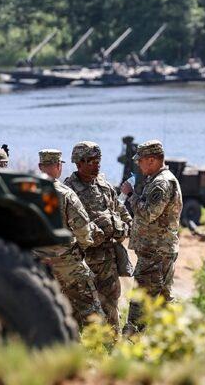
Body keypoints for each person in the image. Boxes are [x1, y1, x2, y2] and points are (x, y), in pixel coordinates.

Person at [64, 141, 132, 331]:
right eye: (91, 161)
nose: (96, 165)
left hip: (107, 262)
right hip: (82, 261)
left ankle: (113, 351)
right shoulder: (68, 190)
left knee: (111, 305)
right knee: (78, 308)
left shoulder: (104, 185)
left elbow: (120, 210)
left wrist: (124, 227)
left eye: (98, 160)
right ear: (78, 163)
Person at [34, 149, 106, 327]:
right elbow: (82, 229)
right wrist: (82, 246)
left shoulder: (27, 191)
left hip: (37, 262)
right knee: (90, 309)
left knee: (41, 308)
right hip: (67, 263)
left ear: (39, 166)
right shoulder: (65, 194)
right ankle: (103, 349)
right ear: (59, 166)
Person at [120, 140, 183, 334]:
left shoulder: (161, 183)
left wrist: (130, 195)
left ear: (152, 160)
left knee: (141, 301)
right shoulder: (157, 179)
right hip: (160, 251)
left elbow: (148, 213)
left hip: (155, 254)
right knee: (163, 300)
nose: (138, 164)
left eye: (141, 161)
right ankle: (170, 339)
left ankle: (132, 341)